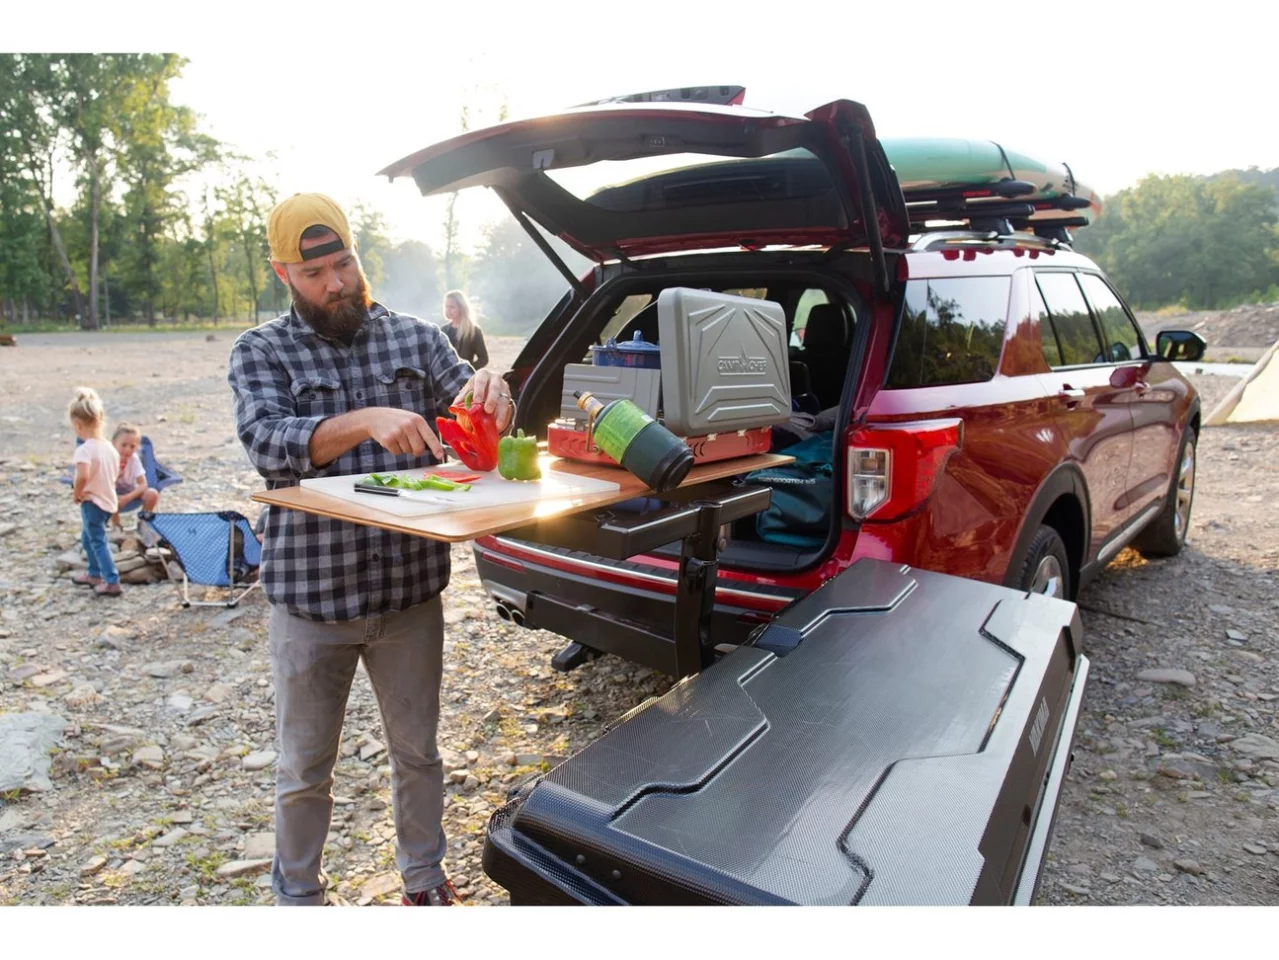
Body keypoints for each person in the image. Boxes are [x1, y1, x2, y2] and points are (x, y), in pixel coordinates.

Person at [226, 193, 514, 907]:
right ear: (283, 273)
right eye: (315, 270)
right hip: (310, 602)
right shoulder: (260, 350)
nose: (335, 283)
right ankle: (298, 896)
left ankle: (423, 879)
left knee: (418, 753)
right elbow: (268, 443)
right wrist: (365, 421)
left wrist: (493, 391)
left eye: (344, 263)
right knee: (303, 766)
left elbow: (472, 416)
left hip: (408, 596)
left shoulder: (415, 338)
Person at [68, 387, 122, 597]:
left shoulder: (84, 450)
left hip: (92, 501)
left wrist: (77, 493)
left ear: (78, 424)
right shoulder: (109, 447)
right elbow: (114, 473)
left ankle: (111, 580)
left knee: (98, 540)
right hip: (109, 500)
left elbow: (82, 476)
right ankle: (93, 571)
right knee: (88, 537)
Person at [111, 423, 160, 528]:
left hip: (131, 493)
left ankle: (143, 523)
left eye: (132, 446)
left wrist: (128, 498)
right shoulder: (109, 459)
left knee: (152, 494)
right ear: (114, 444)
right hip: (111, 494)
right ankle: (116, 526)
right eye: (123, 445)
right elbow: (102, 485)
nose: (128, 450)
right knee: (108, 496)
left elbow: (143, 484)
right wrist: (115, 478)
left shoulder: (134, 459)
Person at [440, 289, 488, 369]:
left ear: (462, 308)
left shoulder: (474, 331)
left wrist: (468, 369)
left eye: (452, 307)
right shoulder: (443, 330)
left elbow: (483, 359)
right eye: (446, 306)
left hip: (464, 379)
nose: (448, 310)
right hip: (444, 376)